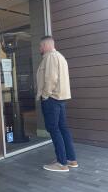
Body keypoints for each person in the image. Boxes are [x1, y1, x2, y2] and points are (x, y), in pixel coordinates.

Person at [36, 36, 78, 172]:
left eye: (41, 46)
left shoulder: (50, 57)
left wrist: (45, 96)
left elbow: (51, 78)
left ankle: (61, 163)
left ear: (46, 45)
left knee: (54, 129)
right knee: (63, 128)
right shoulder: (60, 56)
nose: (40, 49)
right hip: (60, 99)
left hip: (52, 99)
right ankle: (71, 159)